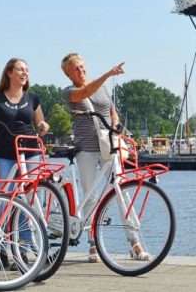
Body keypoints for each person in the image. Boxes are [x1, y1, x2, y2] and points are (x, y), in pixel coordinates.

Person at [60, 53, 149, 263]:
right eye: (75, 69)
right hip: (87, 148)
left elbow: (111, 110)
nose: (80, 70)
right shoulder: (68, 92)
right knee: (91, 196)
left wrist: (116, 126)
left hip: (108, 146)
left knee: (121, 191)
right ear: (68, 74)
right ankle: (93, 243)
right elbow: (84, 93)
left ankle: (134, 242)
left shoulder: (102, 87)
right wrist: (109, 74)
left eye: (82, 66)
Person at [0, 58, 50, 180]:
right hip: (4, 151)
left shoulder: (33, 98)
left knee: (35, 188)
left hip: (30, 149)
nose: (25, 73)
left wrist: (43, 126)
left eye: (27, 70)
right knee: (4, 190)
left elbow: (40, 122)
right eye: (20, 69)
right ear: (9, 73)